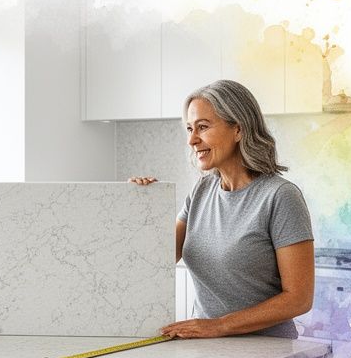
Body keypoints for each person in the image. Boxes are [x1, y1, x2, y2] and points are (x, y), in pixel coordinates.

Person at [131, 79, 314, 339]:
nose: (192, 140)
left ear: (238, 130)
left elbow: (299, 299)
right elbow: (153, 262)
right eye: (189, 129)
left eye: (203, 127)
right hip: (209, 350)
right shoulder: (201, 191)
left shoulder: (280, 196)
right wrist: (139, 207)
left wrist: (218, 325)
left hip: (268, 354)